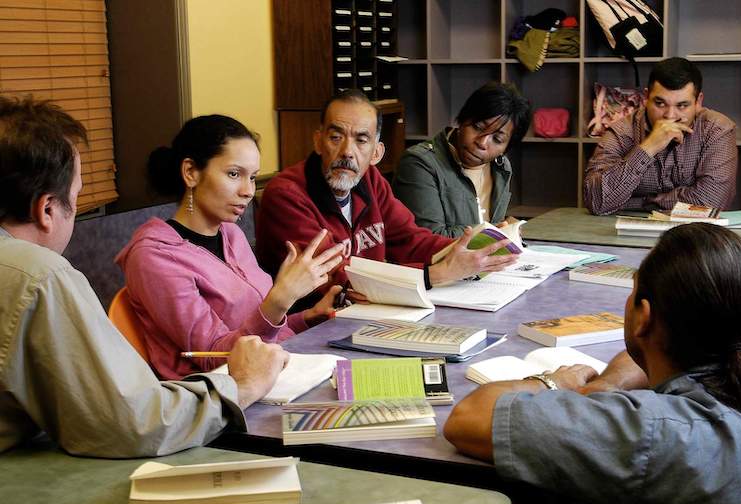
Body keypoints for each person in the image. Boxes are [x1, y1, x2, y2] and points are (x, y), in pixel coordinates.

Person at [0, 96, 290, 457]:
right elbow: (126, 422)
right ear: (46, 209)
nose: (247, 189)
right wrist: (241, 386)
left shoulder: (229, 233)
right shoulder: (41, 275)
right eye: (75, 197)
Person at [444, 223, 741, 504]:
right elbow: (642, 360)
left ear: (644, 318)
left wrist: (554, 382)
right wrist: (605, 385)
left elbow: (470, 417)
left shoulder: (656, 431)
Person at [116, 115, 344, 380]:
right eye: (234, 174)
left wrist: (304, 317)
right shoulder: (153, 258)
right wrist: (280, 300)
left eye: (253, 177)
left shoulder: (231, 233)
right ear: (191, 172)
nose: (248, 190)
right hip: (217, 398)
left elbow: (255, 330)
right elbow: (214, 358)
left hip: (272, 374)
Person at [255, 89, 519, 308]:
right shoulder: (287, 195)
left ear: (376, 152)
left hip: (372, 309)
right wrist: (434, 274)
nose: (347, 151)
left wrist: (467, 249)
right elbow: (338, 278)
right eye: (336, 137)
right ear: (318, 141)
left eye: (361, 140)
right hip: (314, 324)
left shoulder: (369, 180)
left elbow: (410, 239)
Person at [584, 57, 737, 215]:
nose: (670, 116)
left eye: (682, 105)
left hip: (695, 233)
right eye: (660, 103)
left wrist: (643, 202)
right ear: (646, 98)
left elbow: (711, 202)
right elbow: (597, 202)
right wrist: (648, 147)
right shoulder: (621, 131)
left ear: (698, 102)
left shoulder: (717, 129)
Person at [392, 82, 531, 237]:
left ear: (506, 148)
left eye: (497, 139)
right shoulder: (419, 163)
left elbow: (490, 220)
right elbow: (429, 237)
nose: (482, 143)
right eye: (478, 127)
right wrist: (493, 232)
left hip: (482, 258)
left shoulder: (501, 167)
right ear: (462, 120)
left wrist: (506, 228)